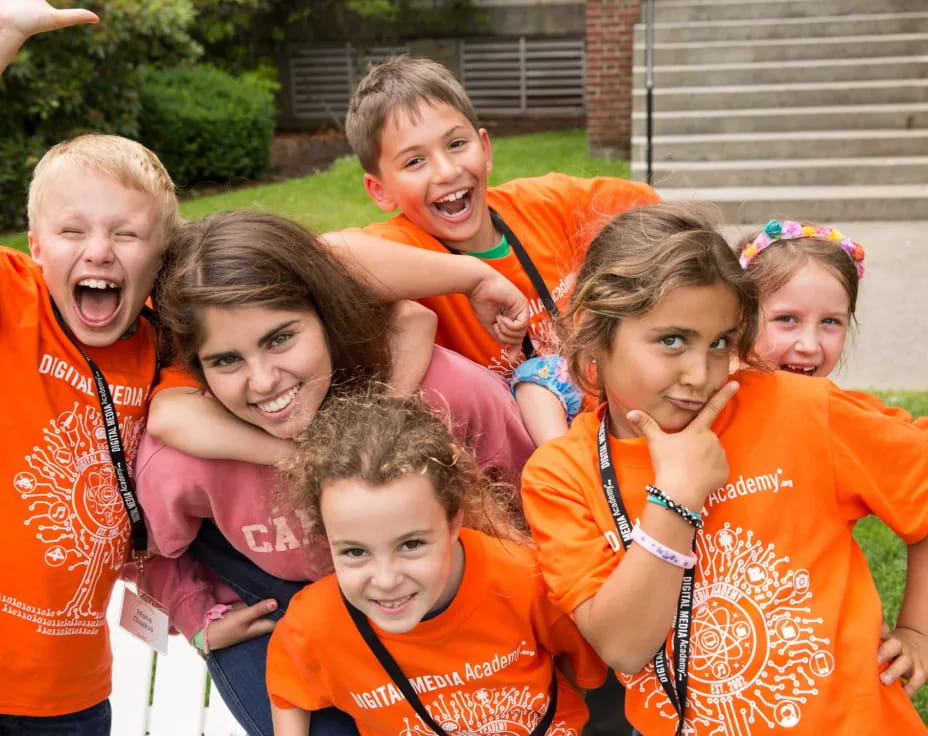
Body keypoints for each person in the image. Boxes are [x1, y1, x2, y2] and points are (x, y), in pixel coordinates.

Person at [520, 202, 928, 735]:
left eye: (719, 343)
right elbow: (623, 645)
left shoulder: (800, 409)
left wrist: (917, 629)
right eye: (672, 340)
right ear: (595, 334)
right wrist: (677, 499)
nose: (700, 374)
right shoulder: (561, 474)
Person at [135, 210, 537, 736]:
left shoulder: (449, 392)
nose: (263, 381)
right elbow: (140, 550)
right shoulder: (183, 460)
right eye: (227, 360)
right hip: (284, 620)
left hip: (445, 608)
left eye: (281, 339)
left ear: (327, 317)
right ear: (196, 368)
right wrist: (195, 617)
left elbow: (533, 507)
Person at [0, 3, 180, 731]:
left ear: (160, 259)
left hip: (69, 690)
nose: (98, 251)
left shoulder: (169, 348)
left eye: (126, 233)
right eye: (72, 230)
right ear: (38, 245)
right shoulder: (15, 306)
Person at [341, 56, 660, 445]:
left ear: (485, 148)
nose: (445, 171)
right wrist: (475, 279)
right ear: (380, 190)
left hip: (618, 428)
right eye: (414, 161)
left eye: (457, 144)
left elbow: (652, 212)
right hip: (512, 462)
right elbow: (326, 256)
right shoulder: (405, 245)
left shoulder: (543, 204)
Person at [267, 391, 607, 735]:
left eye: (411, 544)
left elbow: (579, 663)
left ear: (453, 521)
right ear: (328, 539)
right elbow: (288, 689)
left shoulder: (523, 577)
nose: (385, 580)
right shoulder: (315, 621)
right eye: (355, 552)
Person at [739, 218, 926, 428]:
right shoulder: (706, 414)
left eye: (830, 321)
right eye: (787, 319)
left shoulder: (851, 420)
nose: (810, 346)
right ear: (740, 319)